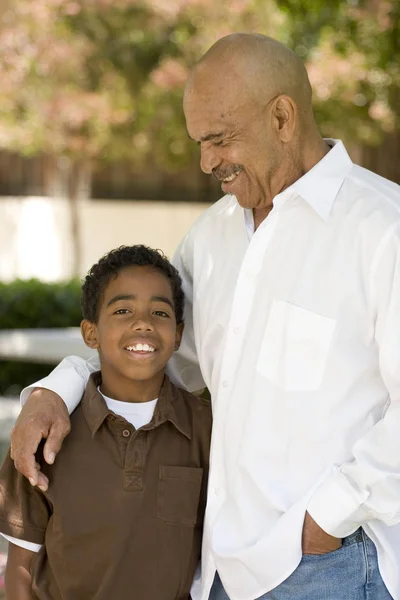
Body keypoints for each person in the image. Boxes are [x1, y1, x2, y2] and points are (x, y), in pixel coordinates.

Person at [9, 32, 400, 600]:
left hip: (330, 566)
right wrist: (56, 388)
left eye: (219, 140)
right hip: (218, 570)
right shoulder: (212, 235)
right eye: (199, 143)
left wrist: (325, 520)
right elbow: (154, 359)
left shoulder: (383, 228)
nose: (205, 162)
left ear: (283, 117)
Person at [0, 245, 212, 600]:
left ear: (178, 334)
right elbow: (21, 568)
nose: (142, 322)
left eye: (159, 312)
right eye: (123, 310)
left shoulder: (206, 428)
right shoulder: (46, 430)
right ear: (91, 333)